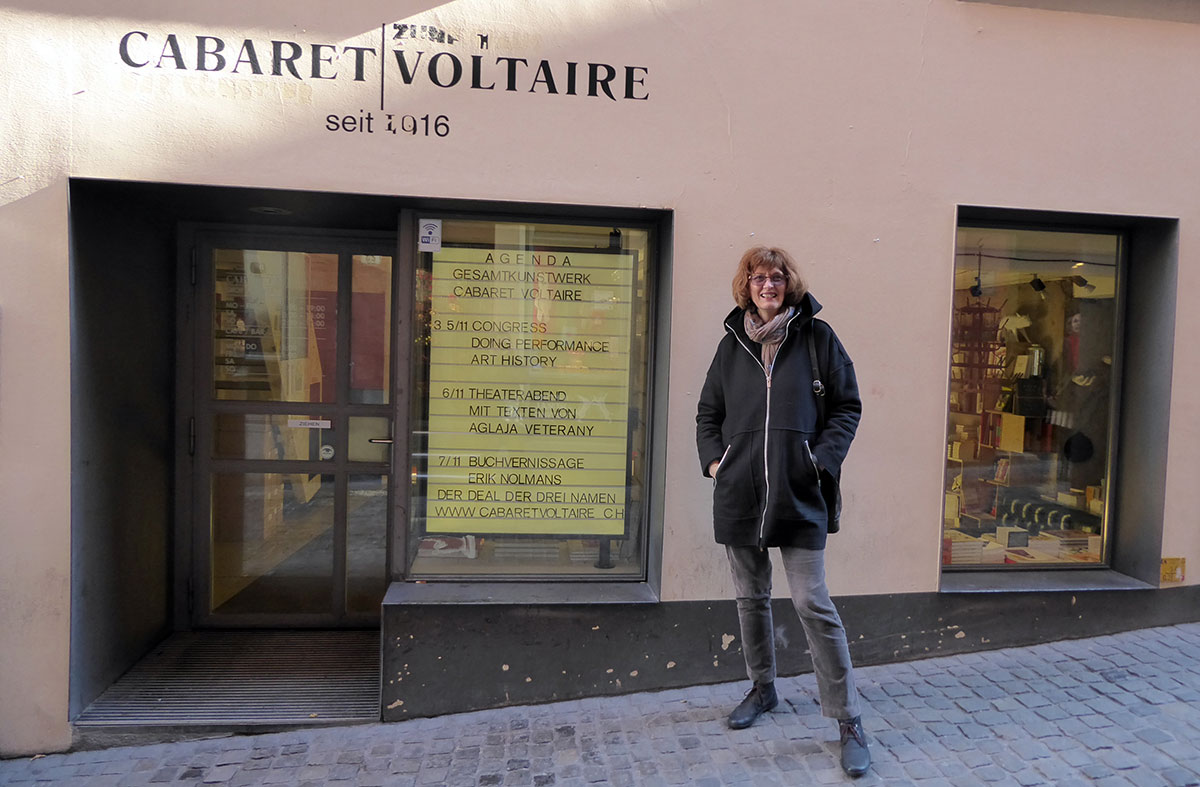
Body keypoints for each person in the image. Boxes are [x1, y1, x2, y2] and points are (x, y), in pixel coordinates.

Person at [695, 246, 870, 778]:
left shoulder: (817, 339)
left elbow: (847, 406)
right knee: (751, 599)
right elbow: (708, 413)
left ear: (788, 283)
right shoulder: (731, 347)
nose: (766, 286)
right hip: (741, 493)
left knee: (812, 603)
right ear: (745, 286)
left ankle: (848, 719)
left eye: (775, 277)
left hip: (799, 492)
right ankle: (764, 688)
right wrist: (713, 463)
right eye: (757, 278)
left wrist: (819, 460)